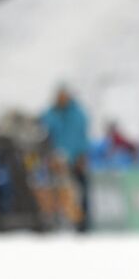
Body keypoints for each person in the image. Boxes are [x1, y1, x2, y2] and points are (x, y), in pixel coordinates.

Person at [40, 86, 90, 230]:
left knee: (79, 191)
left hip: (75, 159)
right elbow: (44, 131)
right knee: (55, 190)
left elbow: (82, 137)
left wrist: (82, 155)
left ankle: (82, 223)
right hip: (55, 160)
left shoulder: (78, 115)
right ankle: (56, 221)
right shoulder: (51, 114)